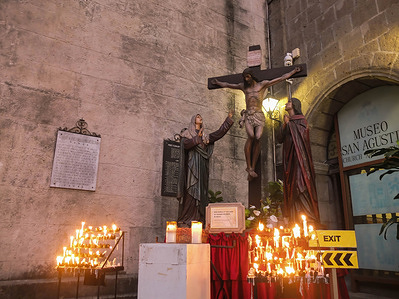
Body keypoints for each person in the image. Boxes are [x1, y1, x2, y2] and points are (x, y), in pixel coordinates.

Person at [212, 66, 301, 180]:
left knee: (258, 137)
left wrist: (293, 71)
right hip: (249, 115)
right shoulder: (243, 87)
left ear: (252, 76)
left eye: (248, 76)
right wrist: (217, 82)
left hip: (259, 114)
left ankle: (252, 167)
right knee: (251, 136)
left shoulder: (262, 85)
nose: (246, 79)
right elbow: (229, 85)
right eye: (245, 77)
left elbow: (280, 78)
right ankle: (248, 166)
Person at [177, 111, 234, 227]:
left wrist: (228, 120)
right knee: (191, 192)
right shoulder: (187, 133)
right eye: (197, 117)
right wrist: (197, 138)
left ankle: (199, 218)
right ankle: (186, 218)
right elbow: (186, 145)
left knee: (201, 192)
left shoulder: (205, 136)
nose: (200, 117)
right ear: (193, 120)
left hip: (202, 166)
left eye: (200, 116)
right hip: (191, 166)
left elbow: (218, 134)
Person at [277, 97, 320, 224]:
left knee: (300, 185)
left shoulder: (301, 120)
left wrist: (289, 123)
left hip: (300, 159)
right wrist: (285, 124)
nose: (286, 103)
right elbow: (280, 138)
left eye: (289, 102)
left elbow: (303, 133)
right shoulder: (287, 121)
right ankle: (295, 219)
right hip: (289, 160)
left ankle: (309, 217)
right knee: (291, 187)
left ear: (295, 105)